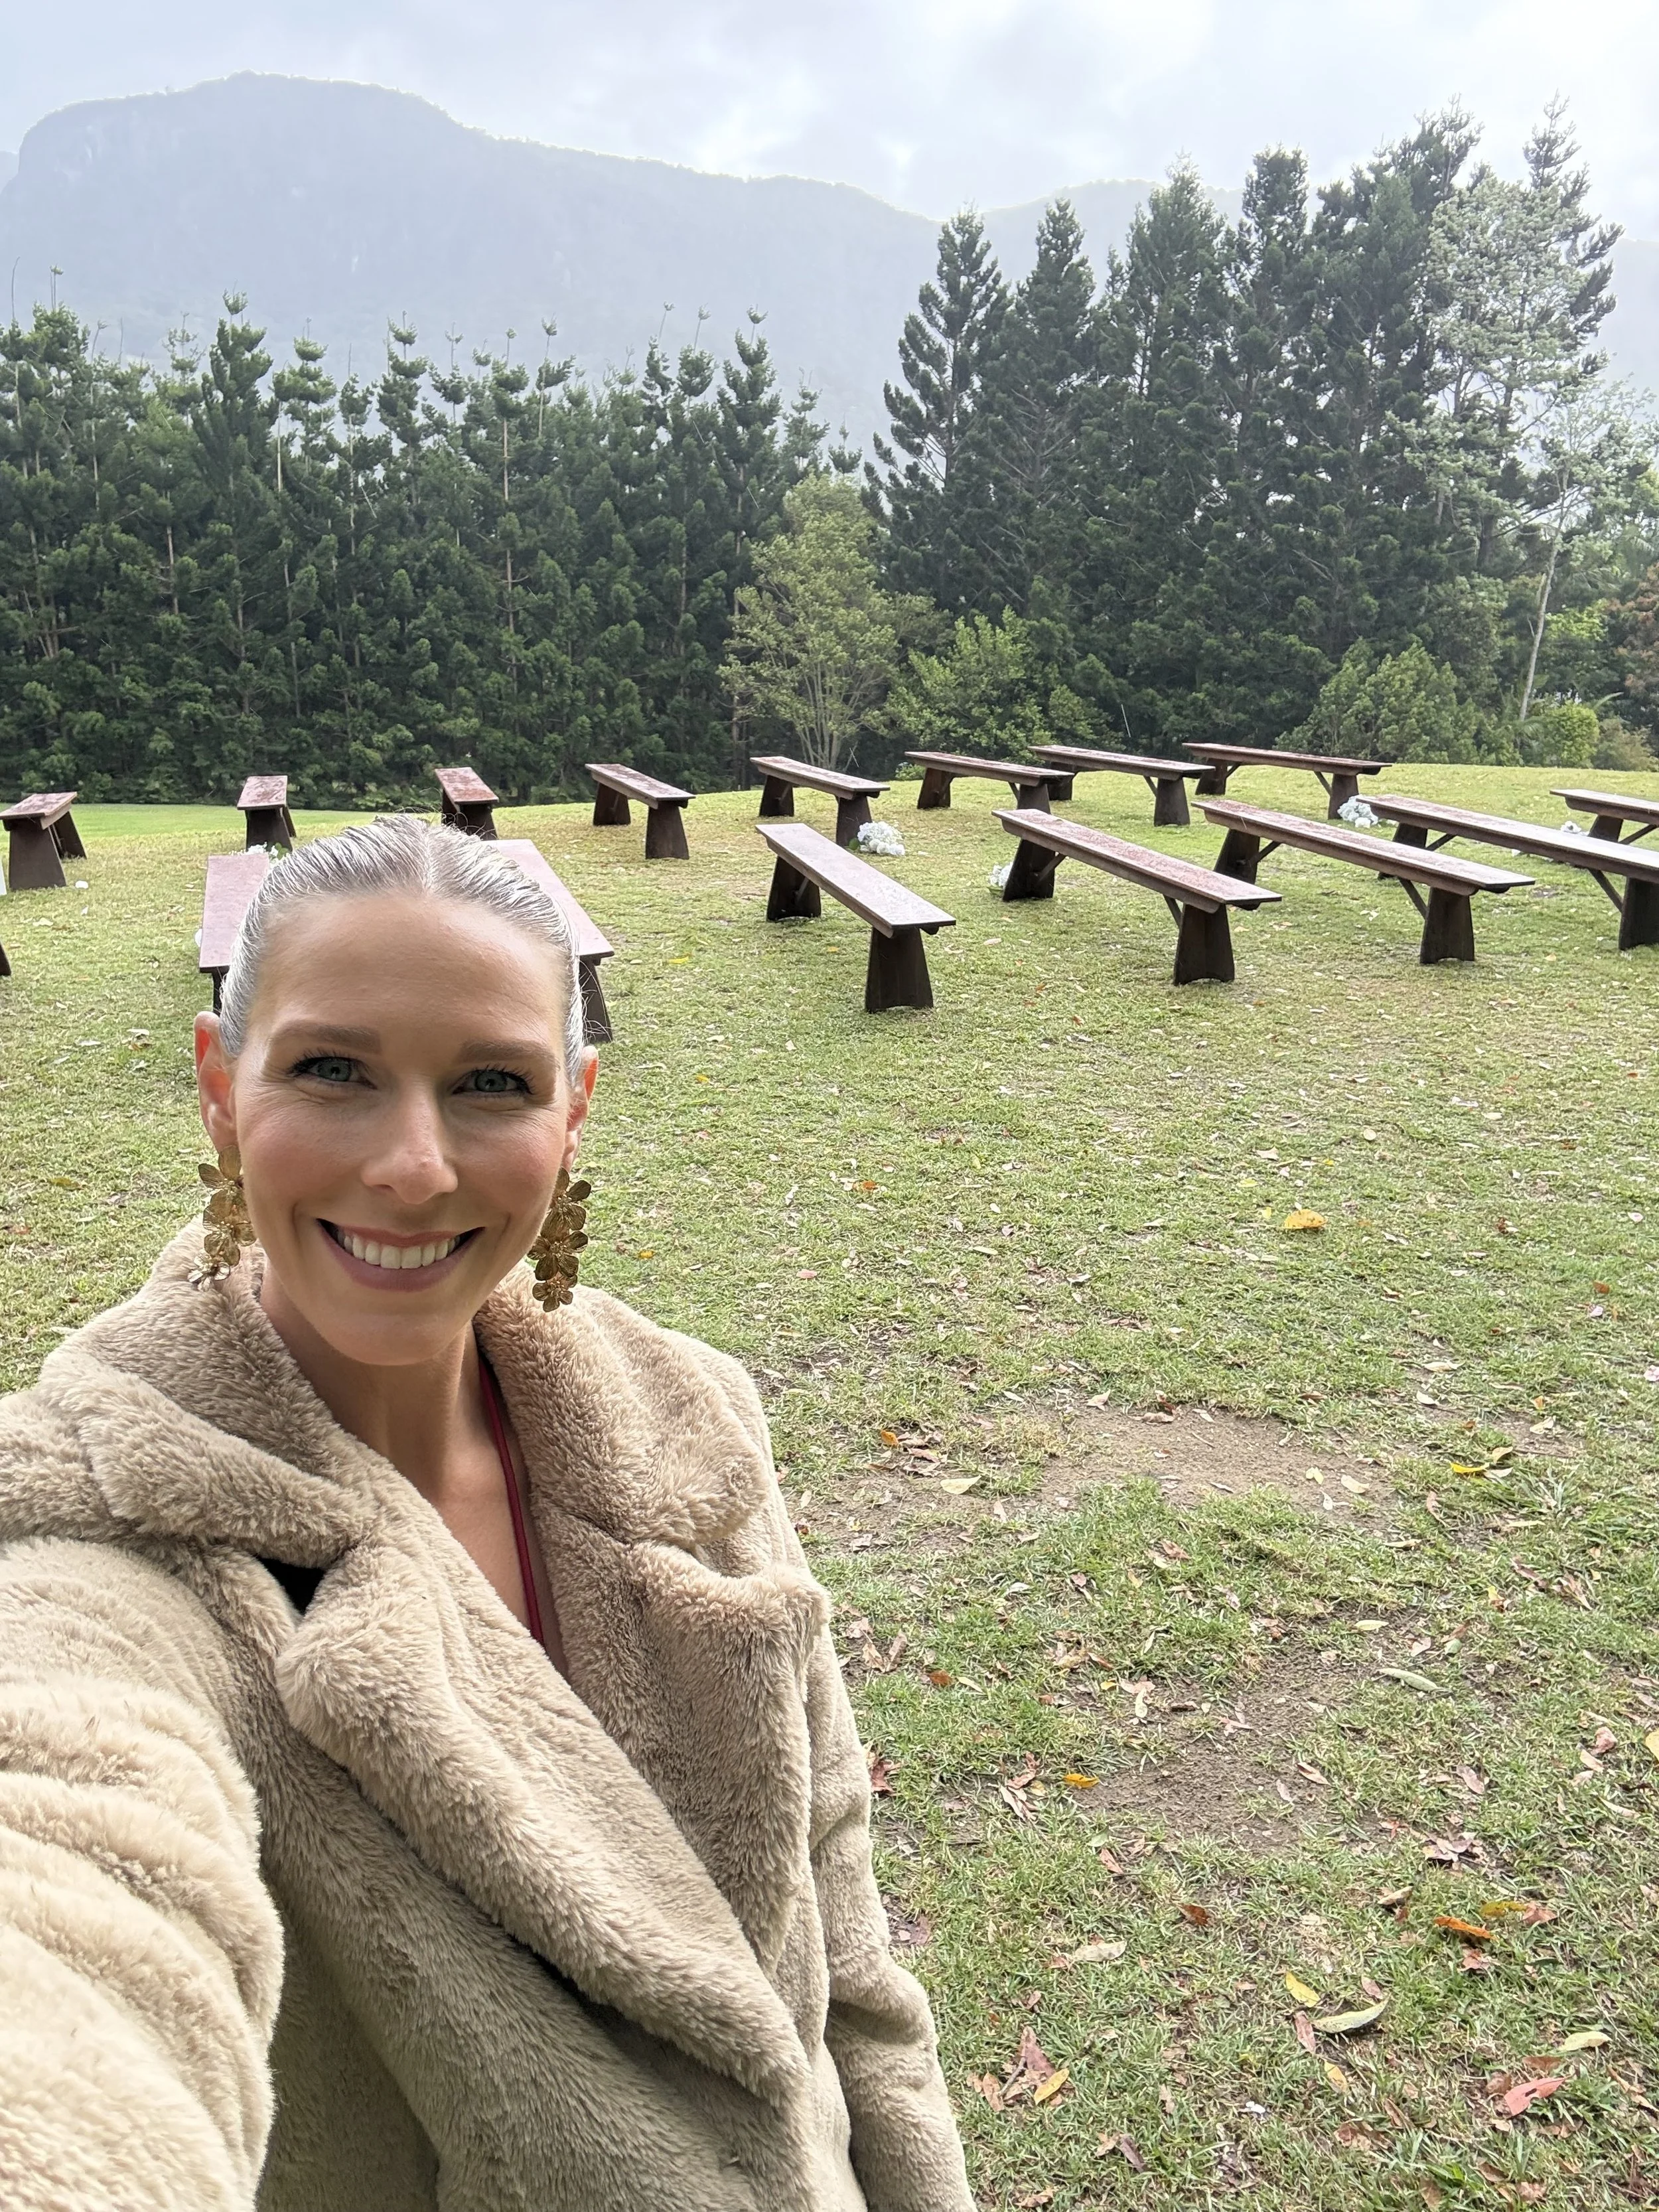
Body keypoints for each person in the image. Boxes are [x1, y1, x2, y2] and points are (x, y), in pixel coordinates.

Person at [0, 816, 973, 2212]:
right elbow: (75, 1904)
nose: (412, 1165)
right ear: (220, 1089)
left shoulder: (690, 1417)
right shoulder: (103, 1532)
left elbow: (846, 1946)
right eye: (332, 1069)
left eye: (489, 1083)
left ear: (572, 1109)